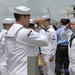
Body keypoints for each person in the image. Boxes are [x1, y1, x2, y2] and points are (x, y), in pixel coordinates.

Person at [5, 6, 49, 75]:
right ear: (22, 17)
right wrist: (41, 26)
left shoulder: (10, 31)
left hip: (12, 71)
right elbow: (45, 41)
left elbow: (7, 55)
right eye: (29, 16)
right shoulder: (25, 32)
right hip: (24, 71)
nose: (30, 19)